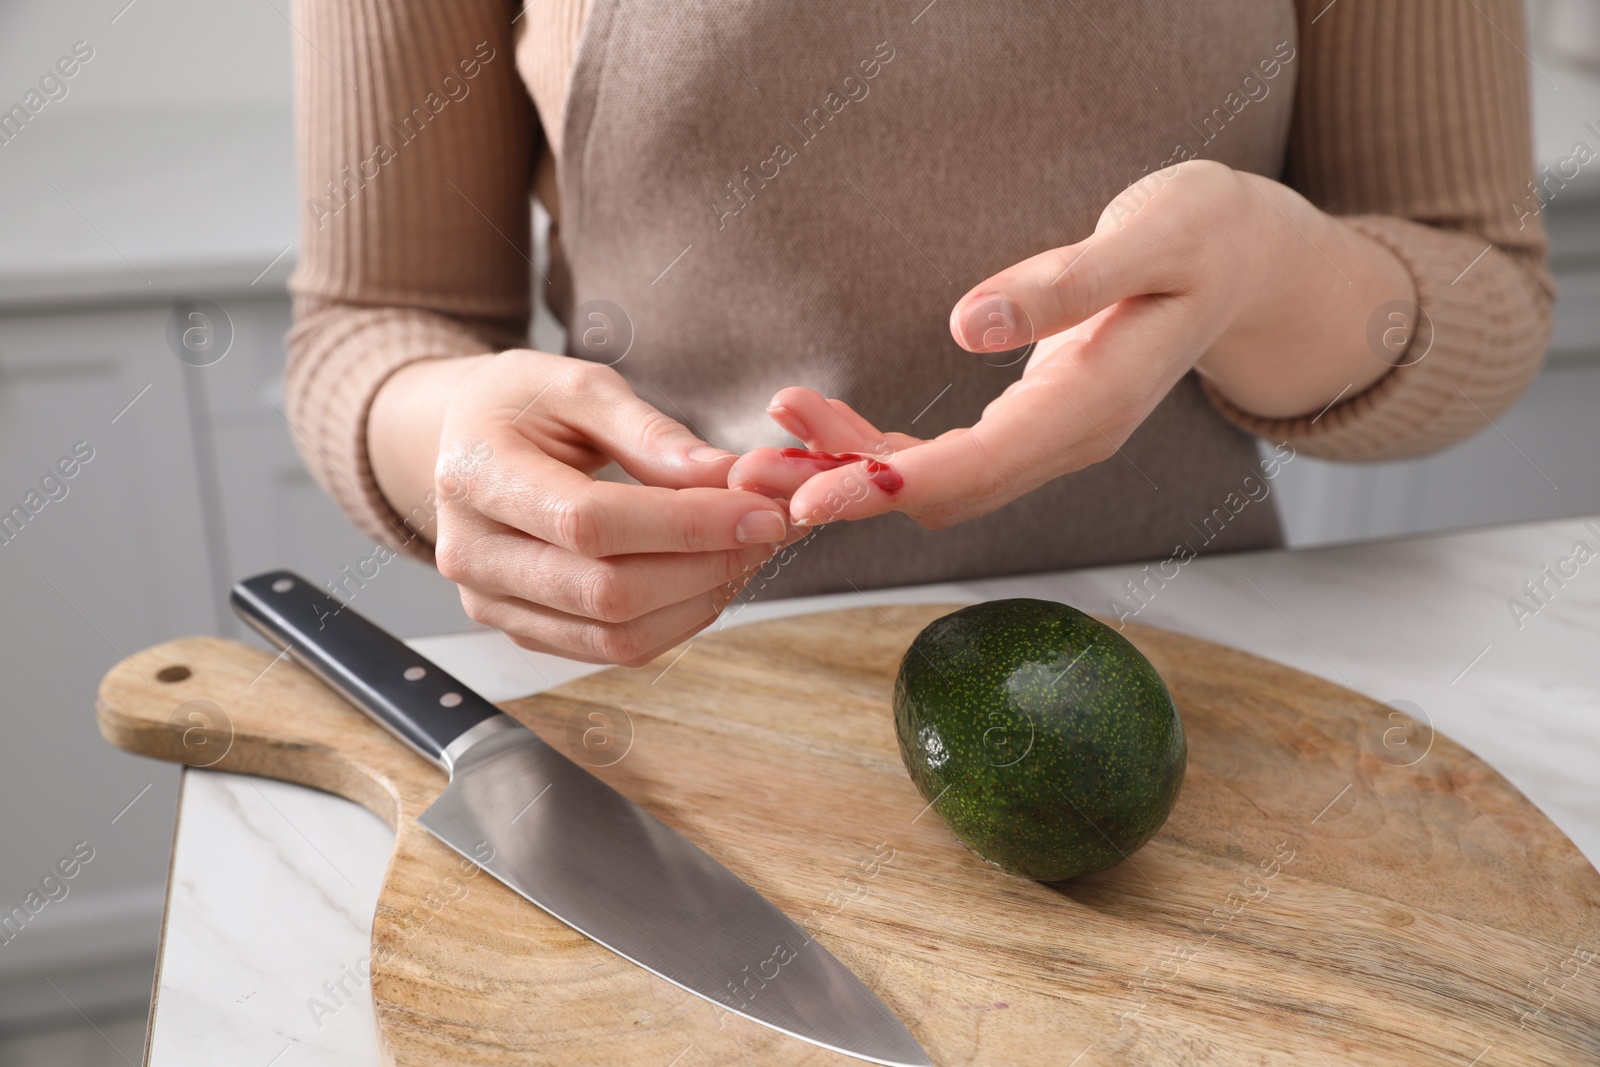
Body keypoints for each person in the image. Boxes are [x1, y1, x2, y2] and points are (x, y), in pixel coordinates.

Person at [285, 0, 1551, 665]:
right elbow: (373, 321)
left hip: (1186, 679)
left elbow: (1476, 280)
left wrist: (1271, 274)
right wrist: (459, 444)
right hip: (660, 694)